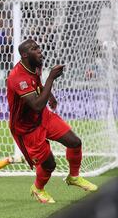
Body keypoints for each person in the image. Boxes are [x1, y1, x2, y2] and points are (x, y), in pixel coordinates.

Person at [6, 39, 97, 204]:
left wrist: (51, 96)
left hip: (43, 116)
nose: (40, 51)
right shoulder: (17, 77)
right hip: (27, 128)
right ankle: (38, 188)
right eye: (35, 49)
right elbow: (36, 105)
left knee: (75, 142)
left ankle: (73, 177)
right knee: (49, 165)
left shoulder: (36, 64)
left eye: (39, 47)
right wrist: (51, 79)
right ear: (25, 55)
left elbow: (38, 86)